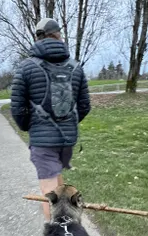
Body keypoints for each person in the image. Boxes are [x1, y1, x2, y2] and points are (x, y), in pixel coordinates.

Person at [11, 18, 91, 221]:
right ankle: (68, 223)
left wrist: (29, 127)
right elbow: (84, 106)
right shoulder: (76, 67)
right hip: (67, 141)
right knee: (58, 183)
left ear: (38, 38)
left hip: (43, 142)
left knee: (49, 192)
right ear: (59, 36)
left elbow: (18, 108)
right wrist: (68, 124)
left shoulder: (25, 68)